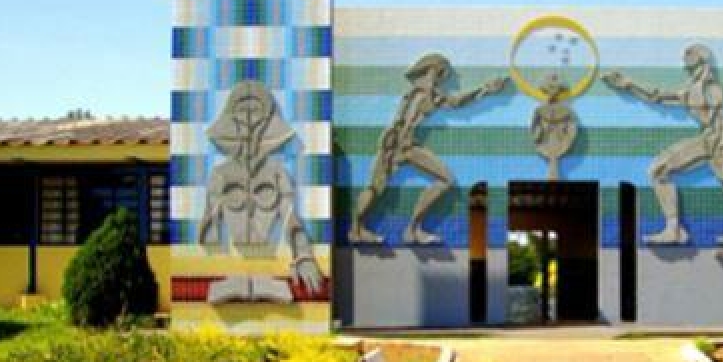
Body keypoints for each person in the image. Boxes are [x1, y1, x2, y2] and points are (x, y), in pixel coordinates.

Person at [602, 44, 723, 245]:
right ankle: (677, 229)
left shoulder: (711, 88)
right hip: (710, 139)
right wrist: (629, 84)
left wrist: (721, 147)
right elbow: (658, 96)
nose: (685, 62)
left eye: (689, 57)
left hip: (716, 140)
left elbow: (717, 118)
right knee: (661, 170)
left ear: (700, 60)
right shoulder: (693, 89)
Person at [351, 53, 508, 245]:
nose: (444, 78)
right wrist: (392, 145)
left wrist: (484, 90)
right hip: (396, 147)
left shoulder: (429, 94)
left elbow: (455, 102)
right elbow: (404, 121)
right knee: (375, 188)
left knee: (445, 180)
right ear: (434, 70)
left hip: (407, 146)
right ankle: (357, 229)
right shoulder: (420, 93)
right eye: (443, 73)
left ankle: (411, 229)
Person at [199, 80, 322, 303]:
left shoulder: (277, 173)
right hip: (231, 266)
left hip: (268, 258)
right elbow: (208, 230)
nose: (248, 119)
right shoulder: (220, 174)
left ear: (266, 118)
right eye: (241, 111)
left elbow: (291, 219)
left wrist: (304, 255)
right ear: (231, 116)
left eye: (255, 111)